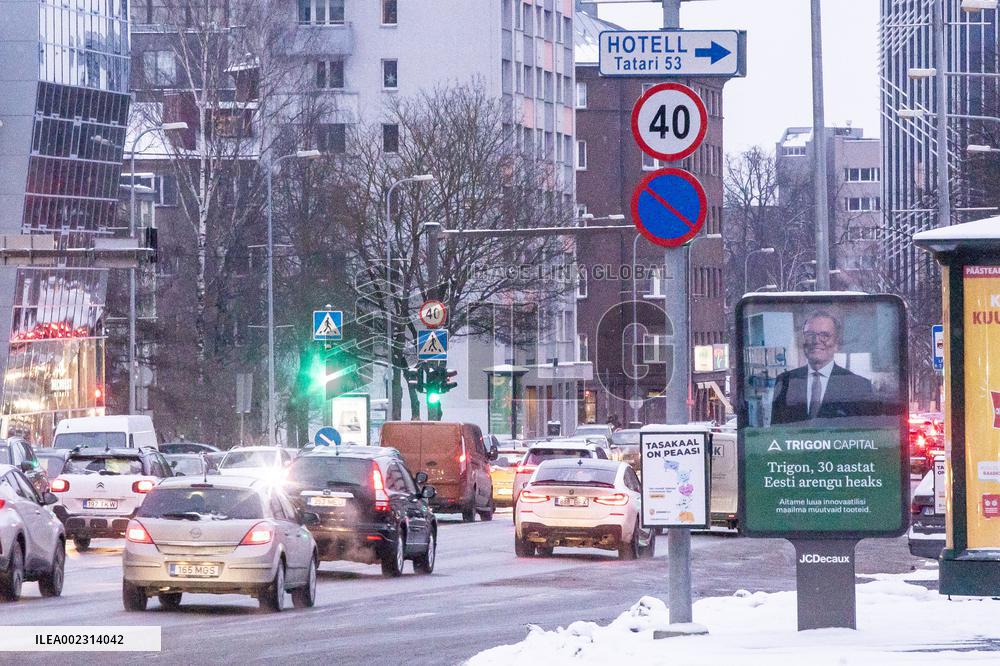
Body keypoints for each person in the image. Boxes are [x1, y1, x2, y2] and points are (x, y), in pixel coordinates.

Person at [769, 310, 876, 425]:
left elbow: (865, 438)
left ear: (837, 343)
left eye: (824, 335)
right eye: (810, 335)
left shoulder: (859, 386)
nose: (816, 341)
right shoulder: (785, 381)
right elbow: (776, 435)